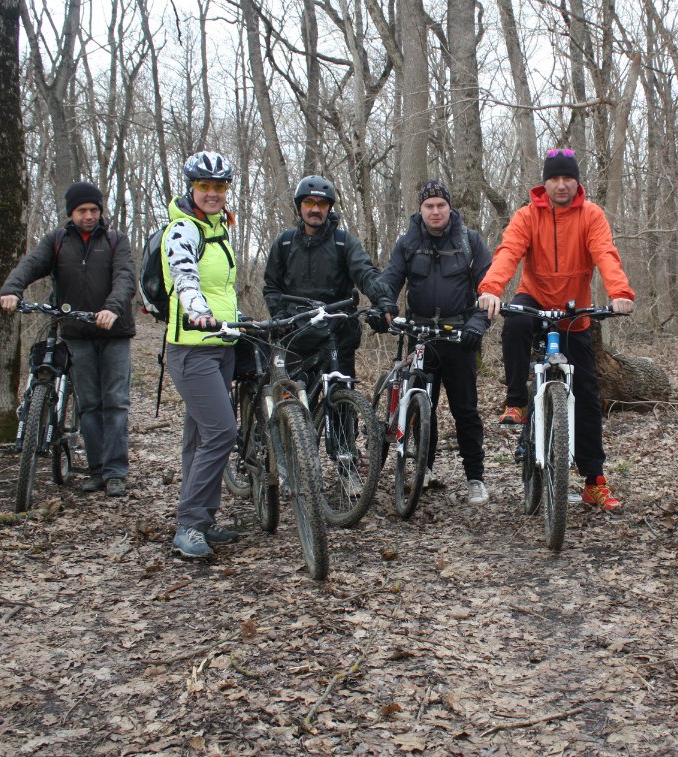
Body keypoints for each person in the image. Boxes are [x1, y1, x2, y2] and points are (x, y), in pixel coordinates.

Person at [476, 148, 635, 512]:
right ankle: (517, 402)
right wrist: (491, 289)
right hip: (534, 297)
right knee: (516, 323)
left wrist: (620, 293)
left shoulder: (591, 215)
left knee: (588, 397)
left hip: (574, 311)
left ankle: (594, 482)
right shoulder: (527, 216)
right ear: (544, 183)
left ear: (577, 182)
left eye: (568, 179)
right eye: (555, 179)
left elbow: (605, 254)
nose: (561, 185)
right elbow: (508, 253)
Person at [0, 180, 136, 497]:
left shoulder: (115, 240)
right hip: (76, 333)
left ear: (100, 211)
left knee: (116, 403)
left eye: (93, 210)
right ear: (71, 213)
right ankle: (97, 470)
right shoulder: (57, 241)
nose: (88, 216)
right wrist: (11, 289)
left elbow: (125, 277)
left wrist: (112, 308)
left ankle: (116, 472)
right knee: (89, 404)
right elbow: (31, 264)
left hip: (114, 333)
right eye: (81, 211)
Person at [378, 179, 493, 505]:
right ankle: (423, 469)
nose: (435, 211)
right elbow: (391, 278)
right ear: (420, 209)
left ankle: (475, 478)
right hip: (420, 334)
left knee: (465, 410)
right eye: (429, 206)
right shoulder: (408, 242)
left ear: (450, 207)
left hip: (459, 336)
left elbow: (489, 288)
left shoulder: (470, 241)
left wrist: (477, 324)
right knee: (418, 403)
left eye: (441, 205)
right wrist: (384, 304)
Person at [161, 151, 243, 559]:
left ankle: (202, 519)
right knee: (222, 432)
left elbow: (222, 289)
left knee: (199, 437)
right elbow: (185, 278)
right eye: (204, 186)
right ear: (191, 187)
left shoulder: (220, 228)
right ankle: (189, 525)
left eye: (219, 186)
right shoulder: (183, 229)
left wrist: (237, 319)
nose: (213, 193)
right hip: (192, 348)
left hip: (221, 346)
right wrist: (198, 311)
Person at [262, 175, 395, 380]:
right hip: (296, 336)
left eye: (322, 203)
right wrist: (279, 314)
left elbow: (365, 273)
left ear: (329, 208)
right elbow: (272, 286)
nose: (315, 209)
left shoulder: (343, 242)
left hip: (338, 334)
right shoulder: (284, 243)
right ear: (299, 206)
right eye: (309, 202)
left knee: (341, 396)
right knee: (296, 397)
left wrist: (383, 299)